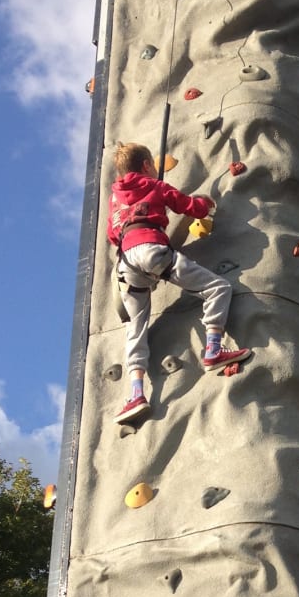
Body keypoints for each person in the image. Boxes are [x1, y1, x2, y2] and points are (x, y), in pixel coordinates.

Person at [107, 142, 250, 424]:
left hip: (126, 263)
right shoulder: (155, 185)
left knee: (135, 329)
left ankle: (136, 394)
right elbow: (188, 206)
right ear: (146, 165)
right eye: (152, 164)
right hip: (151, 249)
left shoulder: (115, 199)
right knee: (218, 288)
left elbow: (113, 236)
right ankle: (213, 349)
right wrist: (205, 204)